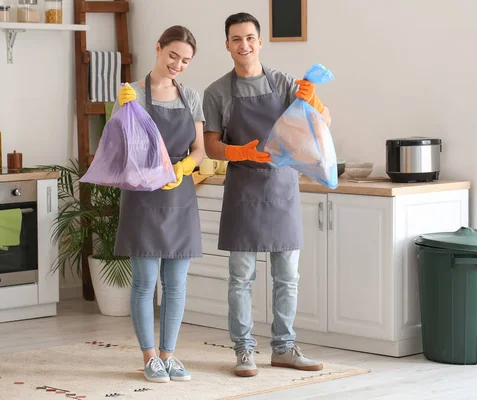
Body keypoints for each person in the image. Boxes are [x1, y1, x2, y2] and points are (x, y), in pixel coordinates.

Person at [202, 12, 331, 377]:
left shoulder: (285, 84)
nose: (243, 45)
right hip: (243, 190)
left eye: (249, 38)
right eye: (236, 39)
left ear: (260, 42)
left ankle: (284, 347)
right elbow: (211, 145)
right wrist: (239, 152)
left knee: (287, 276)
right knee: (241, 277)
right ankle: (244, 351)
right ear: (227, 45)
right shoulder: (216, 92)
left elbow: (323, 125)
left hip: (282, 188)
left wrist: (315, 101)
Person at [113, 25, 205, 383]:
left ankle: (169, 355)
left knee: (177, 283)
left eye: (185, 61)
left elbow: (198, 149)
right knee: (144, 282)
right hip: (143, 196)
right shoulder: (132, 92)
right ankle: (149, 356)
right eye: (172, 56)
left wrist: (184, 166)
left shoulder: (190, 96)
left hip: (179, 196)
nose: (177, 65)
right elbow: (118, 148)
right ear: (158, 48)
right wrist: (121, 114)